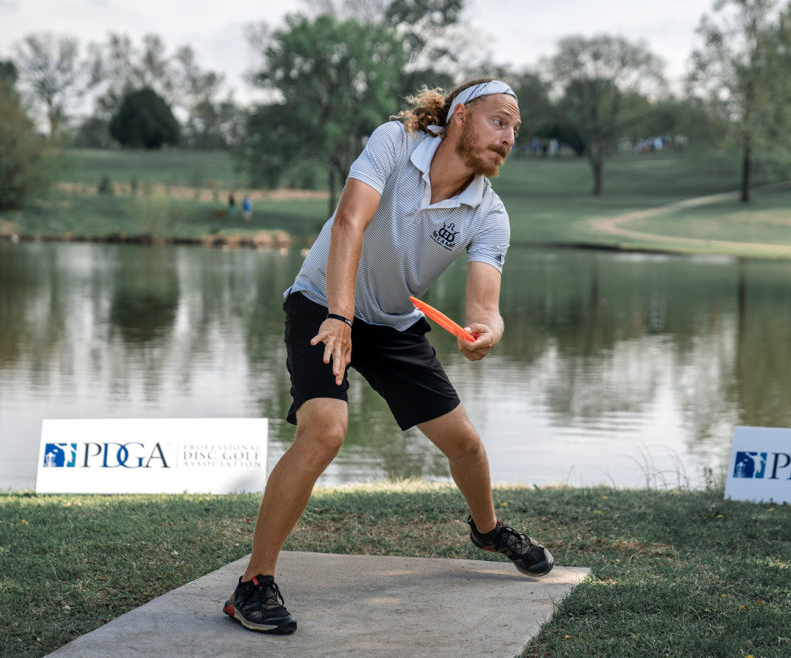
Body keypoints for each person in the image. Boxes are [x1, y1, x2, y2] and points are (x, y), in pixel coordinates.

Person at [222, 78, 554, 636]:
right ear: (461, 117)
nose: (509, 137)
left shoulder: (489, 213)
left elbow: (485, 306)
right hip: (324, 301)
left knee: (465, 443)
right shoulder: (395, 143)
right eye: (500, 121)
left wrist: (486, 332)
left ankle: (488, 528)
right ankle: (253, 583)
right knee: (324, 431)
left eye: (516, 130)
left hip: (395, 324)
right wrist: (340, 316)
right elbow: (350, 221)